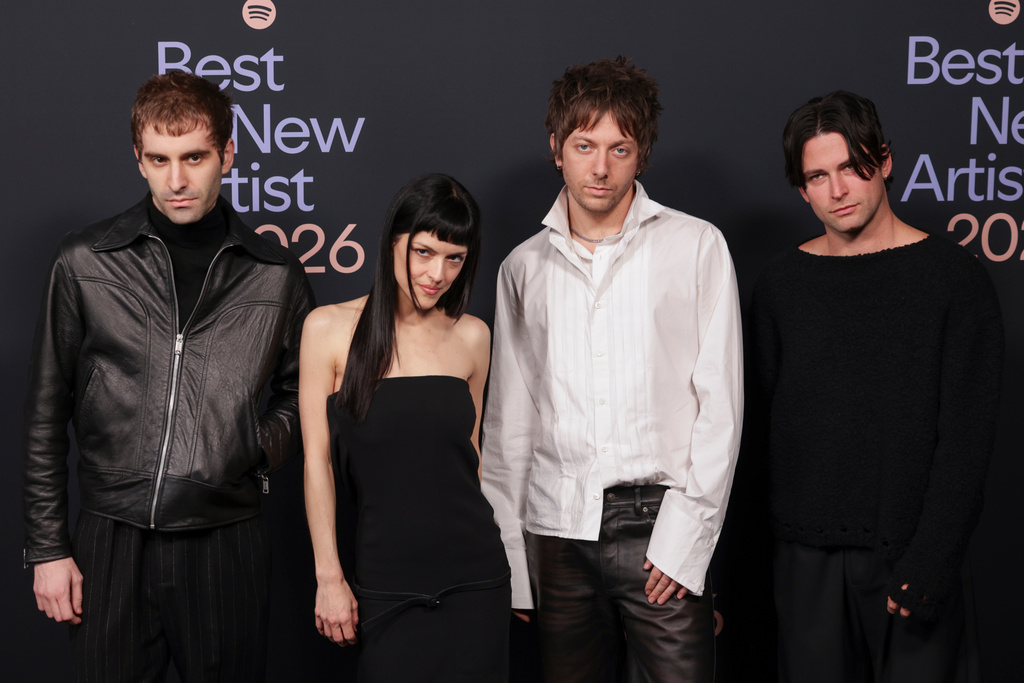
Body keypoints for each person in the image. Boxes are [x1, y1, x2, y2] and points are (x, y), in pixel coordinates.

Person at [22, 71, 314, 682]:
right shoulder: (85, 260)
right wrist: (48, 548)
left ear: (227, 155)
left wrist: (251, 446)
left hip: (225, 540)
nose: (176, 180)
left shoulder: (274, 275)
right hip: (111, 537)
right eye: (158, 159)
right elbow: (47, 411)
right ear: (139, 160)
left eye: (194, 158)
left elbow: (304, 395)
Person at [480, 57, 743, 682]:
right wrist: (516, 563)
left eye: (619, 148)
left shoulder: (697, 245)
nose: (600, 167)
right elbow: (510, 424)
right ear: (556, 148)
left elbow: (721, 409)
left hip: (661, 527)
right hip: (556, 535)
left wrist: (687, 541)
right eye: (584, 145)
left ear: (642, 153)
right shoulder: (522, 267)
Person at [751, 90, 1004, 682]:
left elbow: (966, 440)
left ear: (884, 162)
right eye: (818, 175)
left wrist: (932, 561)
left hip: (912, 555)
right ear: (801, 190)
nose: (837, 190)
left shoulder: (954, 280)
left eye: (850, 167)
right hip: (803, 562)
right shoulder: (781, 287)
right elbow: (755, 439)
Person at [300, 173, 510, 682]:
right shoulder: (328, 330)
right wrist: (329, 575)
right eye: (424, 252)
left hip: (475, 578)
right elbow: (317, 463)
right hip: (385, 582)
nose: (437, 273)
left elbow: (473, 460)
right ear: (393, 242)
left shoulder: (473, 337)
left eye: (454, 258)